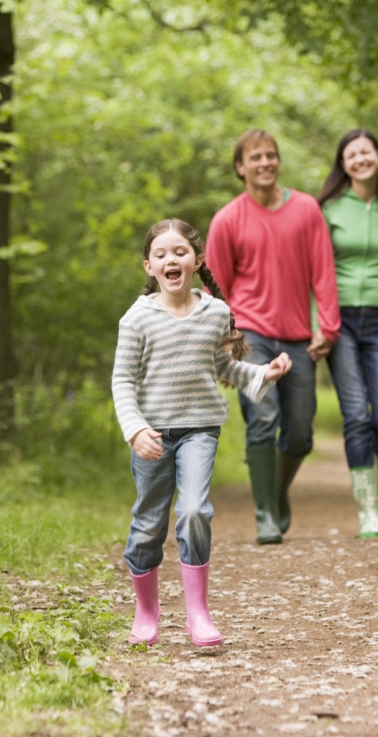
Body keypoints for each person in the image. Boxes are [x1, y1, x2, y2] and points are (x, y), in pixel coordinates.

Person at [112, 218, 292, 647]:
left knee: (193, 511)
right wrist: (135, 430)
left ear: (195, 260)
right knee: (148, 525)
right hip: (152, 434)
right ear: (148, 266)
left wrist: (263, 374)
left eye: (179, 252)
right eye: (161, 254)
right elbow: (122, 380)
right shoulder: (137, 319)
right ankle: (146, 611)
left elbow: (223, 367)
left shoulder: (215, 312)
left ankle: (197, 613)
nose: (171, 259)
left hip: (199, 428)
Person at [206, 129, 340, 545]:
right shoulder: (228, 219)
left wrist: (328, 327)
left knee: (300, 430)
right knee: (264, 419)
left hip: (299, 337)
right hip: (251, 337)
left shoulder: (306, 210)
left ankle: (276, 494)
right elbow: (216, 288)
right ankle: (265, 513)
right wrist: (225, 342)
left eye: (271, 155)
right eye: (256, 157)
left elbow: (323, 271)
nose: (265, 162)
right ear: (240, 167)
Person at [317, 128, 378, 538]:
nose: (359, 159)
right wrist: (319, 322)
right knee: (356, 415)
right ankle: (367, 509)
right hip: (339, 320)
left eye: (365, 152)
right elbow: (317, 268)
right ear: (343, 164)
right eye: (350, 155)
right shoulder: (330, 208)